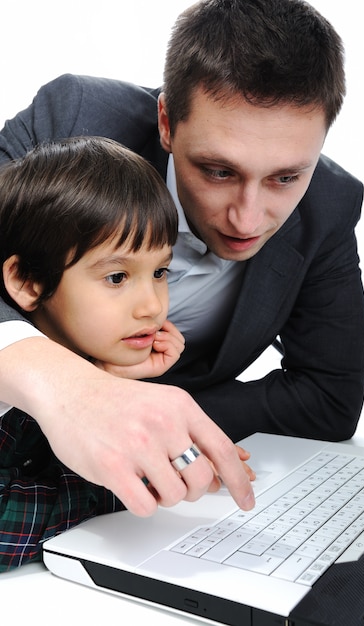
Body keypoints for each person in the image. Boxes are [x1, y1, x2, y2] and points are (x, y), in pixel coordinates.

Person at [0, 0, 364, 523]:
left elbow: (329, 395)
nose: (247, 219)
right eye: (218, 171)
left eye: (285, 178)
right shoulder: (76, 118)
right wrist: (76, 391)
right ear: (167, 122)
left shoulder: (330, 204)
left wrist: (160, 421)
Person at [0, 136, 255, 571]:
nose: (153, 306)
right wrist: (126, 488)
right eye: (117, 277)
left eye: (160, 272)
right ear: (26, 282)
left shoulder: (95, 357)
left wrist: (112, 378)